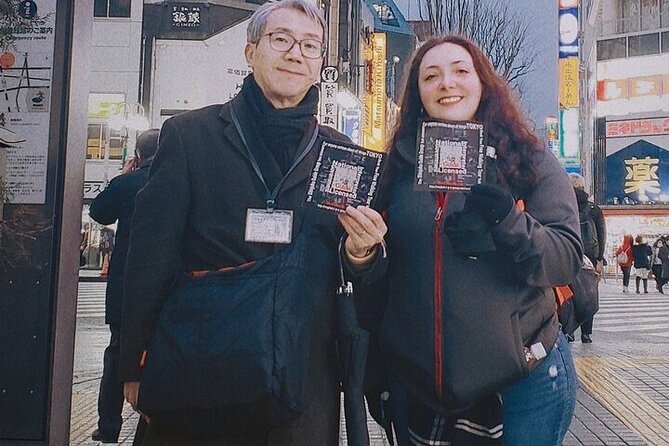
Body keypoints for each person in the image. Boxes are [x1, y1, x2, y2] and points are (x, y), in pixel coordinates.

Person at [118, 1, 373, 444]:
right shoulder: (190, 136)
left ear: (320, 67)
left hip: (304, 381)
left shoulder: (340, 154)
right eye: (282, 40)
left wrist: (362, 253)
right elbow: (148, 259)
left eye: (311, 46)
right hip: (201, 372)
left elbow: (353, 272)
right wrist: (136, 363)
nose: (296, 53)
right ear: (250, 52)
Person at [339, 35, 581, 446]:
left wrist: (508, 223)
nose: (446, 83)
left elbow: (565, 259)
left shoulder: (528, 159)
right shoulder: (394, 169)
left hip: (523, 380)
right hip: (417, 386)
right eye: (430, 76)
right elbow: (379, 279)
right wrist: (360, 256)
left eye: (460, 71)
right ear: (417, 94)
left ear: (483, 81)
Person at [88, 129, 160, 443]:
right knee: (161, 353)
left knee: (117, 354)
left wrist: (124, 175)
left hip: (125, 287)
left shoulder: (128, 182)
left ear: (138, 154)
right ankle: (155, 425)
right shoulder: (176, 180)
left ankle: (108, 427)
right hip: (165, 288)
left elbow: (98, 211)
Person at [568, 172, 606, 343]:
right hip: (590, 255)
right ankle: (586, 333)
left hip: (569, 254)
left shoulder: (564, 204)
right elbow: (601, 234)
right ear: (583, 187)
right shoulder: (594, 209)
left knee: (569, 293)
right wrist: (599, 258)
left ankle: (569, 330)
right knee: (589, 292)